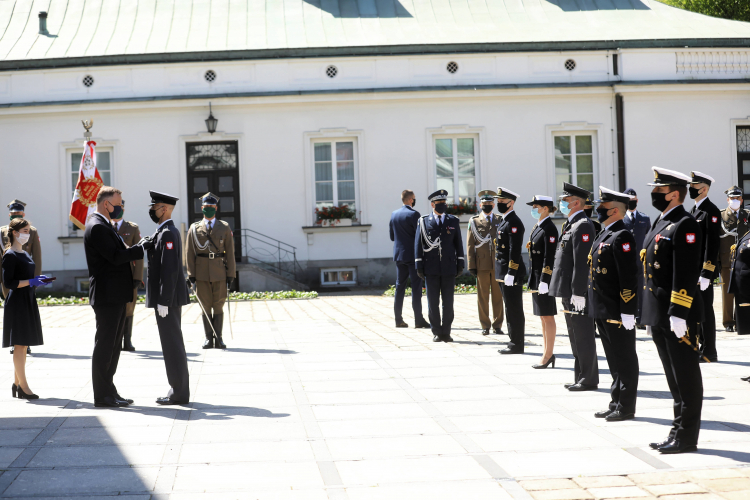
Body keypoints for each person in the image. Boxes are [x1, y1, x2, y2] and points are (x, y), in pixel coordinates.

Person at [642, 167, 704, 455]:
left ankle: (687, 437)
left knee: (686, 376)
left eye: (658, 191)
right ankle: (676, 431)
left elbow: (686, 271)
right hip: (660, 312)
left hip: (678, 314)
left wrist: (679, 311)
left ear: (674, 194)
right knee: (672, 376)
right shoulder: (662, 220)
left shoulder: (686, 224)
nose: (654, 195)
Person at [83, 187, 147, 408]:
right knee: (105, 345)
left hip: (115, 293)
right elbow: (115, 257)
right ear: (106, 204)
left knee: (114, 345)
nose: (120, 207)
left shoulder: (103, 225)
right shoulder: (97, 226)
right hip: (107, 295)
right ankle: (102, 395)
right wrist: (140, 248)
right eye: (118, 203)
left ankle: (109, 390)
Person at [588, 187, 640, 422]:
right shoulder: (604, 233)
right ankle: (615, 401)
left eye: (603, 207)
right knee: (612, 358)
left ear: (616, 210)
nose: (598, 210)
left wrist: (628, 310)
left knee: (624, 358)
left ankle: (626, 406)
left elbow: (629, 276)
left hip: (617, 310)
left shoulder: (622, 236)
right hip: (602, 307)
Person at [550, 183, 599, 391]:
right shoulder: (571, 224)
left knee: (583, 334)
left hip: (577, 292)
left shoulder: (584, 225)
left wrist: (579, 292)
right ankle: (580, 375)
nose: (561, 203)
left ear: (576, 202)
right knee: (574, 334)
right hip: (568, 290)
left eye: (565, 200)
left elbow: (582, 263)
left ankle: (588, 378)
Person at [145, 191, 191, 405]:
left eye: (154, 207)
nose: (152, 210)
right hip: (167, 299)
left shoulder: (168, 233)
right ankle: (177, 388)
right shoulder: (163, 232)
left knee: (172, 344)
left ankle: (179, 392)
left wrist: (163, 299)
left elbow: (170, 270)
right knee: (171, 344)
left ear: (164, 209)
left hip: (168, 300)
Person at [2, 218, 50, 399]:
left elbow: (27, 276)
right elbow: (9, 282)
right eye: (25, 230)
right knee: (20, 345)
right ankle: (23, 387)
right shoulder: (10, 255)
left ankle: (16, 384)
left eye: (28, 230)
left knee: (23, 344)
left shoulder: (24, 253)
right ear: (15, 232)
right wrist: (30, 281)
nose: (28, 234)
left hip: (28, 300)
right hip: (17, 303)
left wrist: (38, 280)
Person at [186, 192, 236, 349]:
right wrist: (191, 275)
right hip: (201, 273)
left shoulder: (224, 227)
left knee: (218, 305)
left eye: (211, 207)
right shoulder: (194, 228)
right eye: (206, 207)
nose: (209, 209)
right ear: (202, 208)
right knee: (205, 305)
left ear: (216, 208)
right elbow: (189, 253)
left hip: (219, 271)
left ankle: (219, 338)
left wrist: (231, 274)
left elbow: (230, 252)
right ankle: (208, 338)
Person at [415, 189, 465, 342]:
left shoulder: (453, 220)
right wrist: (419, 265)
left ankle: (447, 331)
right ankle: (436, 331)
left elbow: (458, 244)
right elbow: (418, 244)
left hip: (449, 267)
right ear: (432, 204)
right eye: (439, 203)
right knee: (433, 302)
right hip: (431, 268)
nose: (442, 205)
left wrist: (460, 263)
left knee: (448, 303)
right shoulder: (423, 221)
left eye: (444, 203)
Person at [1, 199, 42, 355]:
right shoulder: (3, 231)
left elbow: (36, 256)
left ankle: (24, 343)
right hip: (10, 278)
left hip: (26, 278)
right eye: (12, 214)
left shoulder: (31, 231)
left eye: (17, 213)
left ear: (23, 213)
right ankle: (15, 342)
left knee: (24, 314)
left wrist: (35, 279)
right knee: (13, 313)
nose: (14, 216)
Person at [688, 172, 721, 362]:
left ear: (705, 189)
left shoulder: (711, 211)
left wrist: (707, 272)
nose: (691, 190)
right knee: (697, 310)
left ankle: (710, 350)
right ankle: (700, 345)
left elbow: (712, 243)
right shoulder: (694, 211)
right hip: (694, 271)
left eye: (694, 187)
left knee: (706, 310)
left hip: (703, 272)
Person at [525, 195, 558, 366]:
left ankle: (548, 354)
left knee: (548, 316)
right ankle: (546, 353)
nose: (533, 209)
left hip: (543, 279)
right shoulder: (538, 226)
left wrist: (545, 279)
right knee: (543, 317)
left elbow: (549, 256)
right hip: (536, 278)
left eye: (536, 206)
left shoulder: (549, 229)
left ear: (545, 208)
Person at [389, 190, 429, 329]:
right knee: (416, 288)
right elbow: (420, 236)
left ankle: (398, 319)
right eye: (414, 198)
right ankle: (418, 320)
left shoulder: (394, 214)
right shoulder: (414, 214)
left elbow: (392, 237)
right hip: (413, 256)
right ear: (411, 200)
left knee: (400, 286)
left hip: (399, 255)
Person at [467, 190, 504, 336]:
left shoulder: (500, 220)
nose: (487, 205)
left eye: (489, 203)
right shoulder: (474, 221)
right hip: (481, 264)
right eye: (484, 203)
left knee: (498, 296)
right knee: (482, 297)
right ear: (480, 204)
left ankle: (498, 325)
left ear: (493, 205)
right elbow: (470, 244)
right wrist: (471, 264)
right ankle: (485, 325)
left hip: (497, 264)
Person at [495, 187, 525, 351]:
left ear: (511, 203)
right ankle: (513, 340)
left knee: (514, 308)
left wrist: (511, 272)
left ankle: (517, 343)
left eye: (502, 202)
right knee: (509, 307)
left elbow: (515, 249)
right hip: (503, 271)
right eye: (498, 202)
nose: (498, 204)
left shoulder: (514, 222)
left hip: (510, 272)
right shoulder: (504, 220)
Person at [112, 199, 143, 352]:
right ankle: (115, 341)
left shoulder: (132, 228)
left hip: (129, 275)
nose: (118, 209)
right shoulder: (105, 227)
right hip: (111, 275)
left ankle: (127, 341)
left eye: (121, 207)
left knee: (129, 309)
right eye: (116, 207)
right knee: (113, 309)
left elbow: (139, 254)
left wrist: (138, 277)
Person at [719, 186, 749, 333]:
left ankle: (741, 320)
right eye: (732, 198)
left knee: (743, 291)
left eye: (737, 198)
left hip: (744, 261)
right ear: (727, 200)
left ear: (742, 200)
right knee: (727, 293)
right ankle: (728, 322)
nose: (735, 200)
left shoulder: (747, 215)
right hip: (726, 261)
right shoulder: (721, 216)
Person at [622, 188, 651, 329]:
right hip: (625, 260)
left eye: (633, 200)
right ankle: (627, 314)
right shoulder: (621, 219)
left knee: (641, 289)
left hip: (640, 261)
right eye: (629, 201)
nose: (631, 203)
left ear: (637, 201)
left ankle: (640, 317)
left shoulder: (644, 219)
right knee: (625, 288)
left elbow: (648, 238)